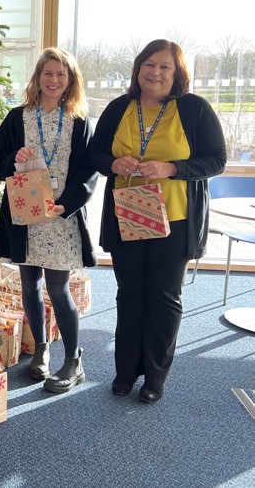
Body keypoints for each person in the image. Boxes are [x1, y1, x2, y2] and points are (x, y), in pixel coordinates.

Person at [89, 39, 226, 403]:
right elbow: (95, 154)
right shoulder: (120, 107)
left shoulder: (194, 109)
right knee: (129, 293)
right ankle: (125, 372)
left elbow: (216, 161)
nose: (156, 72)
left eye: (165, 66)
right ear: (138, 69)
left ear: (177, 72)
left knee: (164, 297)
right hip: (127, 214)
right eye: (150, 64)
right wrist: (112, 164)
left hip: (175, 219)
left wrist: (173, 168)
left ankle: (155, 378)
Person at [0, 48, 98, 392]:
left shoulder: (79, 123)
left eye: (61, 75)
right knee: (29, 284)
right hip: (25, 217)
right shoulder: (17, 117)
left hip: (60, 218)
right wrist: (13, 158)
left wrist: (65, 204)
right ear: (38, 78)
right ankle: (40, 349)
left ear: (70, 82)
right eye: (47, 74)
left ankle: (73, 359)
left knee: (58, 287)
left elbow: (88, 173)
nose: (53, 80)